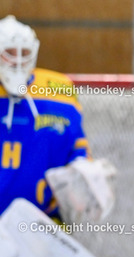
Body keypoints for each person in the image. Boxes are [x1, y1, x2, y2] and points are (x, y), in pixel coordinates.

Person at [0, 15, 114, 224]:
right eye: (9, 53)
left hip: (44, 224)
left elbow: (77, 149)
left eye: (23, 53)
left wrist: (85, 173)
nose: (17, 61)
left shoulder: (58, 89)